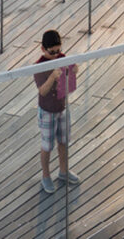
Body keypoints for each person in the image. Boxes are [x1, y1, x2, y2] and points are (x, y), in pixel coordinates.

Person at [34, 29, 79, 193]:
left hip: (62, 107)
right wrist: (52, 77)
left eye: (58, 51)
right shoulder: (39, 66)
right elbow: (42, 91)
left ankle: (63, 171)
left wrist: (74, 70)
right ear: (43, 49)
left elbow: (71, 71)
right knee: (47, 145)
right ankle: (46, 176)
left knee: (63, 141)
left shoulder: (62, 58)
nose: (56, 55)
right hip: (47, 111)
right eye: (52, 52)